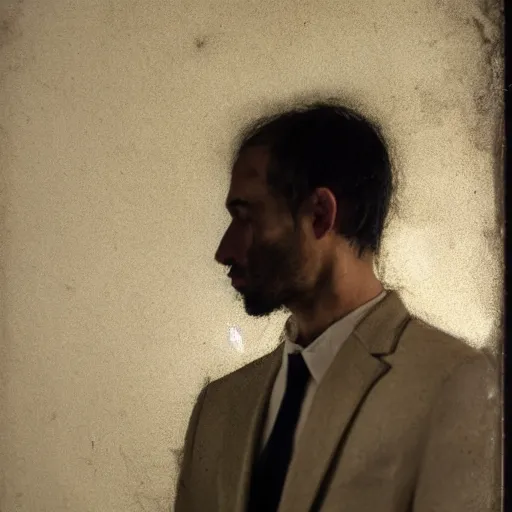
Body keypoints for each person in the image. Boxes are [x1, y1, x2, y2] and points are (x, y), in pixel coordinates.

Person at [174, 102, 499, 512]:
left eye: (247, 218)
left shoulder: (452, 382)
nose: (225, 251)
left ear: (321, 214)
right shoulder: (218, 407)